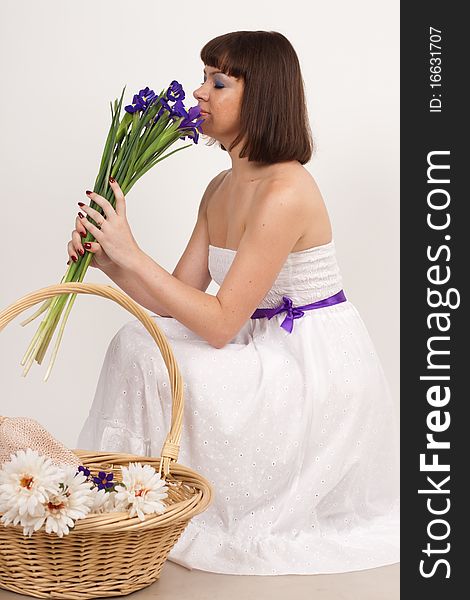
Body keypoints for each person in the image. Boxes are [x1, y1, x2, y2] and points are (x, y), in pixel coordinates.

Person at [73, 31, 399, 576]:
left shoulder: (287, 189)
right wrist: (111, 260)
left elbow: (221, 324)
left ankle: (147, 498)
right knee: (137, 341)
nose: (200, 92)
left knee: (150, 351)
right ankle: (129, 498)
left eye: (218, 81)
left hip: (310, 367)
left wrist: (132, 251)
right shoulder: (220, 189)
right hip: (257, 344)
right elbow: (176, 302)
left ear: (263, 96)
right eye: (202, 77)